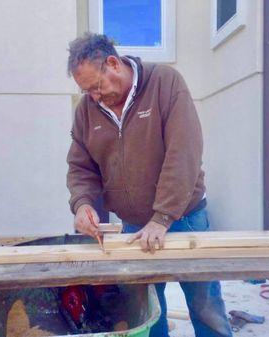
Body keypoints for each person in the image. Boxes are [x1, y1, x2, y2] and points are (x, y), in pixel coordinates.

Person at [66, 33, 232, 337]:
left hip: (185, 219)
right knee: (145, 311)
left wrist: (163, 216)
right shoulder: (86, 112)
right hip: (133, 228)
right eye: (86, 91)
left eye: (96, 87)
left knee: (205, 306)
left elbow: (184, 153)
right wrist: (83, 204)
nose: (93, 97)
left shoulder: (165, 83)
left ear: (113, 64)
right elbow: (81, 167)